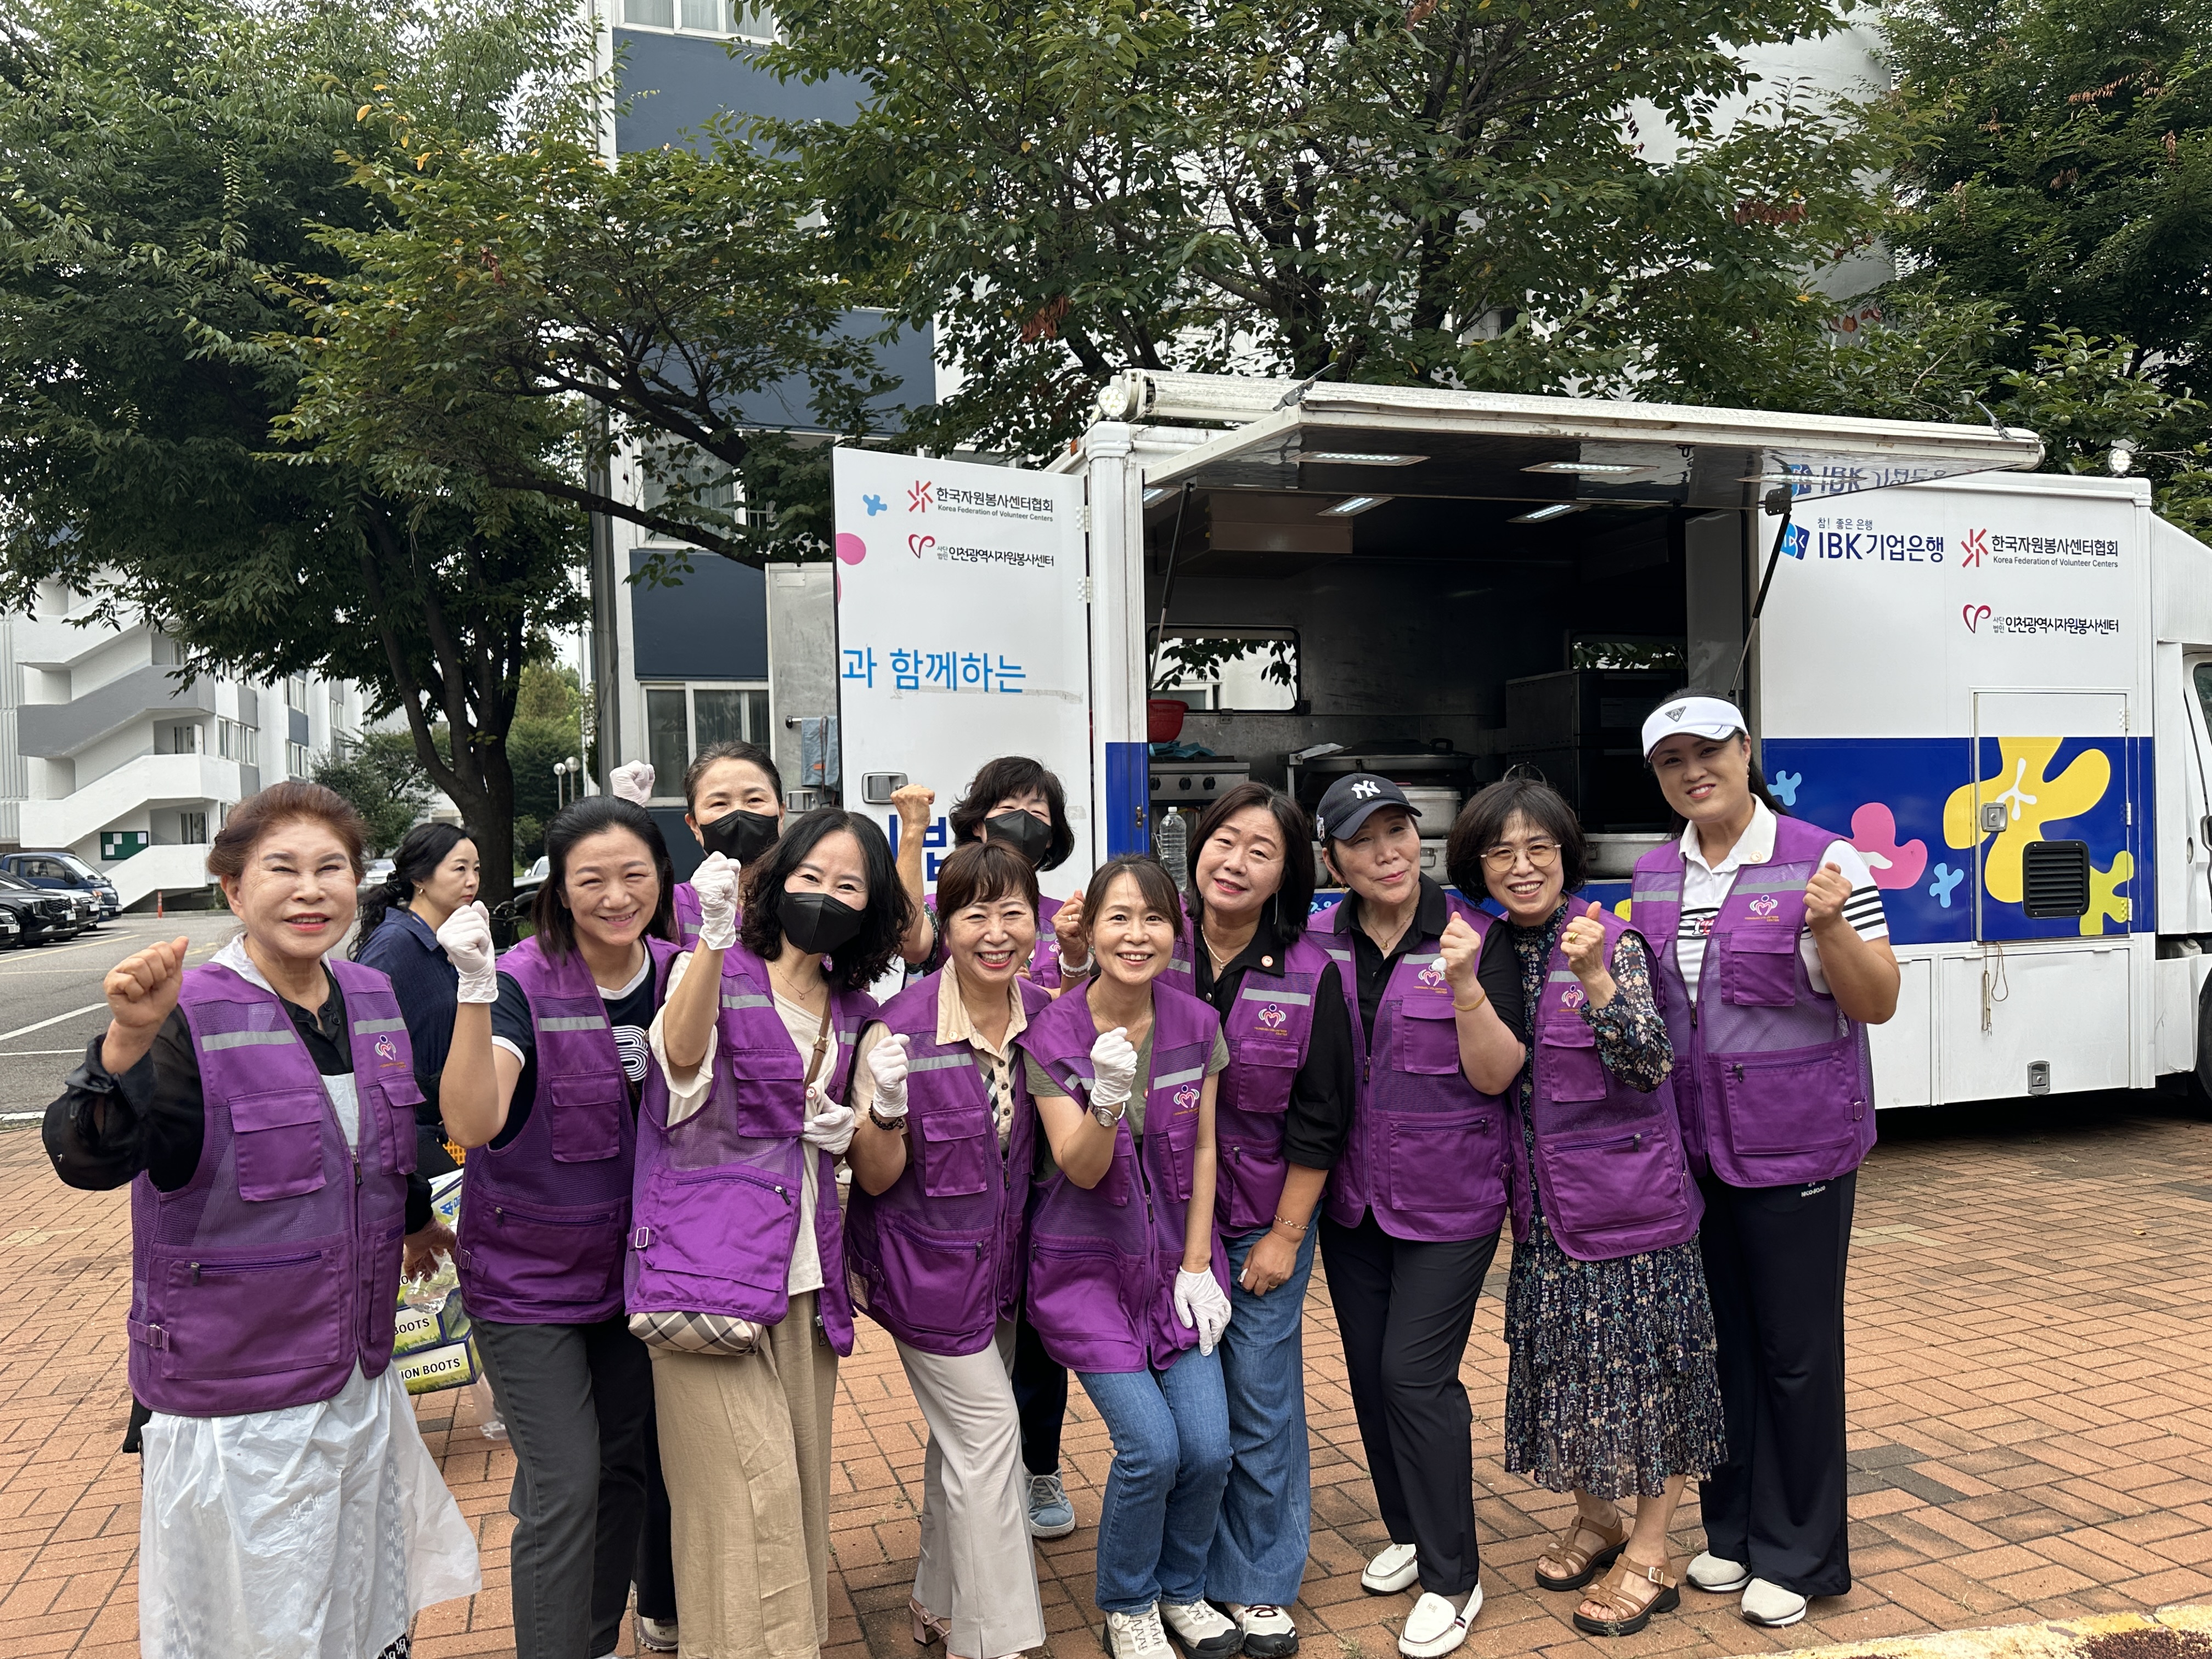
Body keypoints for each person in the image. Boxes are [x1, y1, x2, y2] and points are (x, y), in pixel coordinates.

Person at [43, 780, 478, 1658]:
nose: (310, 890)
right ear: (235, 890)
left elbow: (374, 1140)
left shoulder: (371, 996)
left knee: (360, 1604)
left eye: (332, 868)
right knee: (264, 1626)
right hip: (239, 1401)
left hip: (357, 1374)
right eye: (282, 869)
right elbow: (89, 1157)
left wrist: (412, 1222)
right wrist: (125, 1043)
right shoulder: (185, 1010)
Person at [1634, 695, 1899, 1629]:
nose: (1692, 771)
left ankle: (1800, 1553)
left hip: (1799, 1145)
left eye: (1707, 750)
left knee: (1795, 1352)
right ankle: (1737, 1529)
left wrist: (1830, 928)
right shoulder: (1654, 874)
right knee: (1724, 1347)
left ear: (1745, 751)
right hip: (1696, 1152)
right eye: (1671, 759)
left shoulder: (1827, 859)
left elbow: (1876, 1001)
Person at [631, 809, 911, 1656]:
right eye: (811, 877)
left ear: (870, 910)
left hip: (804, 1282)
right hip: (703, 1274)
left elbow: (879, 1172)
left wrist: (880, 1113)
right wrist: (712, 941)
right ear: (778, 879)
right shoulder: (712, 969)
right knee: (746, 1496)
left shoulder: (859, 1016)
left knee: (795, 1493)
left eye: (848, 886)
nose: (825, 896)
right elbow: (680, 1060)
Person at [1453, 776, 1723, 1638]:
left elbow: (1649, 1065)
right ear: (1477, 866)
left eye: (1539, 848)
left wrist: (1597, 976)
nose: (1522, 866)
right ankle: (1598, 1518)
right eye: (1501, 851)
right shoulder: (1484, 951)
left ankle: (1651, 1548)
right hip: (1545, 1215)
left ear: (1567, 855)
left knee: (1651, 1379)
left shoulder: (1615, 941)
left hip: (1633, 1210)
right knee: (1567, 1373)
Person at [437, 797, 683, 1659]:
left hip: (637, 1275)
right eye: (592, 880)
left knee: (622, 1467)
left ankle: (593, 1640)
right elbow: (473, 1120)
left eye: (634, 875)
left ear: (663, 878)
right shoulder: (518, 981)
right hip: (527, 1281)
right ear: (559, 888)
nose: (616, 897)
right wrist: (474, 994)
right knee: (565, 1481)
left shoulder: (684, 971)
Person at [1310, 772, 1526, 1659]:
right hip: (1350, 1199)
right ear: (1333, 861)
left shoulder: (1476, 936)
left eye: (1397, 830)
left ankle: (1453, 1576)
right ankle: (1406, 1527)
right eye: (1363, 839)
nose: (1387, 852)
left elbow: (1499, 1072)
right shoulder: (1315, 942)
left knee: (1412, 1375)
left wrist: (1468, 985)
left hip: (1451, 1198)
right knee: (1370, 1373)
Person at [1020, 854, 1238, 1659]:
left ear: (1175, 931)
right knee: (1151, 1448)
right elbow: (1079, 1167)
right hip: (1086, 1275)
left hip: (1177, 1271)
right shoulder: (1051, 1035)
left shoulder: (1197, 1024)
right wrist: (1107, 1101)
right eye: (1118, 917)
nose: (1136, 935)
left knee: (1209, 1449)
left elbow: (1205, 1147)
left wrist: (1197, 1265)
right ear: (1091, 928)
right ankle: (1128, 1602)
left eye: (1153, 918)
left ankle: (1182, 1590)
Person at [1163, 782, 1355, 1659]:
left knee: (1261, 1400)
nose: (1235, 863)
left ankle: (1260, 1582)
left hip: (1260, 1217)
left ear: (1287, 876)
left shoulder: (1311, 973)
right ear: (1198, 847)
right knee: (1182, 1406)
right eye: (1225, 841)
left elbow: (1322, 1115)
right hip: (1158, 1217)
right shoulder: (1153, 942)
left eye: (1261, 851)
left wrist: (1284, 1235)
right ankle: (1181, 1574)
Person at [846, 841, 1053, 1659]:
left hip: (1001, 1278)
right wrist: (886, 1109)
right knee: (993, 1436)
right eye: (975, 914)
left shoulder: (1049, 1018)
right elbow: (873, 1174)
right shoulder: (897, 1029)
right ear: (944, 923)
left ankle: (935, 1601)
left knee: (960, 1447)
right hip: (922, 1278)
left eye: (1013, 913)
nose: (996, 933)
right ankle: (993, 1641)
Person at [893, 756, 1088, 1543]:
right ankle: (976, 1521)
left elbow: (1072, 1023)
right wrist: (911, 832)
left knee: (1039, 1340)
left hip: (1042, 1168)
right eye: (1011, 807)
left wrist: (1073, 954)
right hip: (962, 1173)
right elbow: (910, 939)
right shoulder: (950, 904)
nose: (1025, 821)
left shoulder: (1060, 912)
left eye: (1040, 811)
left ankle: (1038, 1467)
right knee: (976, 1383)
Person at [354, 821, 482, 1175]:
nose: (472, 881)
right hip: (409, 1132)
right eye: (459, 869)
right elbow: (361, 1044)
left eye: (476, 869)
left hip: (453, 1120)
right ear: (420, 878)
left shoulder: (451, 942)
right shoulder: (393, 946)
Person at [612, 744, 787, 949]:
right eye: (719, 804)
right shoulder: (674, 906)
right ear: (694, 825)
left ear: (781, 814)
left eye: (755, 800)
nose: (738, 813)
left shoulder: (806, 894)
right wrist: (625, 823)